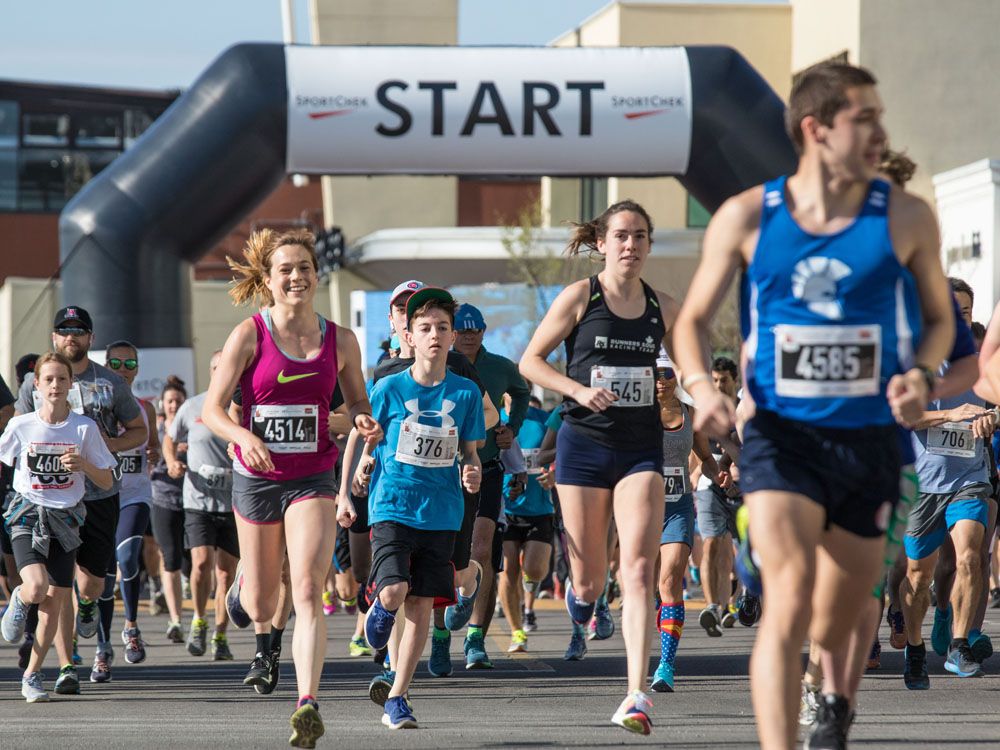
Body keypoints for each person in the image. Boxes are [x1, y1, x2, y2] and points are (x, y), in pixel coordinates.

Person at [671, 62, 953, 750]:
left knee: (840, 616)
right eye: (865, 119)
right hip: (780, 437)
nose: (881, 133)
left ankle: (835, 701)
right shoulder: (746, 216)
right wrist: (703, 389)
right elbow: (691, 321)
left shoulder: (907, 216)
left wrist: (920, 374)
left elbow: (943, 322)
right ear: (815, 129)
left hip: (868, 443)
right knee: (788, 603)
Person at [201, 228, 380, 749]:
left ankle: (307, 703)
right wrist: (242, 436)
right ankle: (244, 587)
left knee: (306, 588)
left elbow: (359, 406)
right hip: (257, 478)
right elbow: (213, 409)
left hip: (312, 476)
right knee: (261, 605)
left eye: (305, 267)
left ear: (316, 276)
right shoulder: (249, 334)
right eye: (286, 269)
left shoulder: (340, 340)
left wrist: (358, 422)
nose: (297, 277)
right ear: (269, 280)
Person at [520, 199, 680, 735]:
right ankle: (583, 601)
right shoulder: (579, 297)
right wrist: (577, 390)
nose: (630, 245)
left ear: (649, 245)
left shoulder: (664, 307)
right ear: (602, 243)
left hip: (640, 450)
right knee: (589, 577)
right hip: (583, 446)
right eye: (620, 236)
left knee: (637, 569)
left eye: (639, 236)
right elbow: (531, 361)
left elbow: (694, 365)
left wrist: (704, 396)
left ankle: (636, 694)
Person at [345, 286, 484, 729]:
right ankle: (379, 608)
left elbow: (471, 452)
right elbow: (360, 433)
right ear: (409, 334)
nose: (435, 335)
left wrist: (472, 471)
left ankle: (398, 698)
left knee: (422, 607)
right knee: (393, 592)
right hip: (393, 504)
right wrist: (350, 485)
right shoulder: (387, 388)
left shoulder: (464, 394)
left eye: (443, 327)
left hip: (442, 511)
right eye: (425, 327)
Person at [14, 306, 148, 693]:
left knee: (89, 588)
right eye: (63, 330)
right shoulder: (34, 384)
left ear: (90, 338)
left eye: (78, 331)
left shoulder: (110, 383)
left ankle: (88, 606)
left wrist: (108, 446)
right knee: (57, 589)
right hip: (51, 501)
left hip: (100, 493)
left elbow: (139, 429)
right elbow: (21, 433)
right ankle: (67, 664)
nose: (70, 337)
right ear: (54, 337)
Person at [0, 352, 117, 702]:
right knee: (35, 587)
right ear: (36, 385)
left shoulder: (83, 428)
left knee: (54, 604)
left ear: (70, 385)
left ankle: (32, 675)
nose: (55, 385)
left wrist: (82, 465)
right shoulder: (22, 426)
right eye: (48, 379)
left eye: (61, 379)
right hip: (27, 516)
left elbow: (107, 480)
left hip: (67, 521)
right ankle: (18, 601)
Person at [901, 277, 994, 684]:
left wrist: (993, 417)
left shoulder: (983, 367)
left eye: (966, 313)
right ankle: (917, 646)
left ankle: (958, 644)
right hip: (923, 485)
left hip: (969, 478)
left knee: (971, 555)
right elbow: (904, 416)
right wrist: (949, 415)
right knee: (917, 577)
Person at [449, 303, 530, 670]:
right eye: (461, 330)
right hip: (444, 471)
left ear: (483, 332)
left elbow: (522, 392)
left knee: (482, 549)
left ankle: (475, 639)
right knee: (449, 555)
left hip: (489, 467)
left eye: (474, 330)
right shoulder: (440, 363)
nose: (468, 336)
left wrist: (512, 426)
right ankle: (438, 639)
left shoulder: (500, 366)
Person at [165, 351, 239, 661]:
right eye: (216, 367)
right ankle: (198, 620)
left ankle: (220, 634)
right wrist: (171, 461)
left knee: (225, 575)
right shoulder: (193, 405)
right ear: (210, 372)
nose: (222, 371)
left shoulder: (242, 406)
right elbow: (170, 438)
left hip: (233, 502)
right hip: (197, 500)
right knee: (200, 565)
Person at [652, 353, 720, 691]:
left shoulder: (689, 413)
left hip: (678, 506)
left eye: (666, 373)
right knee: (649, 587)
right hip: (643, 508)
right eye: (654, 374)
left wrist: (717, 474)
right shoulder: (637, 416)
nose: (660, 380)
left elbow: (705, 456)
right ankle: (657, 621)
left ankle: (666, 664)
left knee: (670, 580)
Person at [95, 340, 160, 668]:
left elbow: (154, 448)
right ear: (105, 366)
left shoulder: (145, 409)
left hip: (134, 494)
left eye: (130, 365)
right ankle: (102, 647)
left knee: (129, 558)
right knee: (104, 577)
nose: (123, 371)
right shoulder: (95, 407)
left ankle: (132, 627)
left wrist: (154, 453)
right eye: (116, 364)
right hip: (102, 497)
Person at [497, 395, 554, 655]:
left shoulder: (542, 420)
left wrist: (554, 472)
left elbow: (563, 449)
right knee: (508, 570)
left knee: (534, 570)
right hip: (505, 510)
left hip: (539, 508)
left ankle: (529, 593)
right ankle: (516, 630)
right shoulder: (493, 418)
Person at [693, 355, 743, 634]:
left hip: (745, 485)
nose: (718, 385)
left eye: (723, 380)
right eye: (713, 380)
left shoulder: (744, 410)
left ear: (734, 380)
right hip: (709, 483)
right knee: (712, 544)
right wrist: (695, 470)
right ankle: (713, 606)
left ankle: (733, 605)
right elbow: (696, 444)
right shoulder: (704, 409)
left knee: (737, 551)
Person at [150, 377, 188, 643]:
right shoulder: (157, 429)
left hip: (194, 501)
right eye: (170, 401)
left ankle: (196, 613)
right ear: (162, 403)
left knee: (196, 562)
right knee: (170, 558)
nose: (174, 405)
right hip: (162, 499)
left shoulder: (194, 427)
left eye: (178, 401)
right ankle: (175, 619)